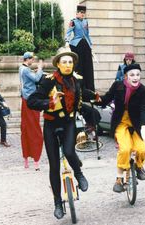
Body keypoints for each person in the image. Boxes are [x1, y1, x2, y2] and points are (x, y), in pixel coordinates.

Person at [27, 47, 96, 220]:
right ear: (58, 64)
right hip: (51, 125)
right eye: (64, 62)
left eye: (70, 62)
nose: (67, 65)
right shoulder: (48, 81)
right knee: (54, 166)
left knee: (70, 151)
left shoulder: (77, 80)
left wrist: (98, 96)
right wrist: (50, 101)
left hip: (68, 122)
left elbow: (84, 94)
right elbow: (32, 101)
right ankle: (57, 202)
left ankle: (79, 174)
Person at [96, 63, 145, 193]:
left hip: (137, 124)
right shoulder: (118, 87)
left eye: (138, 75)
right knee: (125, 149)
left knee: (141, 149)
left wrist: (144, 128)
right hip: (121, 122)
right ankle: (119, 178)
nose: (135, 77)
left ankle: (139, 166)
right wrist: (95, 98)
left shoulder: (144, 91)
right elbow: (105, 99)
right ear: (126, 76)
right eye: (132, 75)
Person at [19, 52, 44, 171]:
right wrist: (40, 68)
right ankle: (36, 161)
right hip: (31, 100)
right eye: (32, 59)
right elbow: (36, 78)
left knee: (26, 128)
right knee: (34, 129)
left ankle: (26, 160)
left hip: (25, 99)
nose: (32, 61)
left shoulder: (21, 68)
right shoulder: (26, 70)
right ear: (27, 59)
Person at [65, 5, 95, 91]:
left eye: (84, 13)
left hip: (86, 45)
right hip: (77, 45)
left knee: (88, 67)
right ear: (77, 13)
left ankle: (89, 88)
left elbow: (87, 34)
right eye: (81, 12)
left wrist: (91, 46)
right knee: (79, 67)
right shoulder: (73, 21)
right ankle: (79, 87)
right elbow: (69, 32)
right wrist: (67, 42)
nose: (82, 14)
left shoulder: (86, 22)